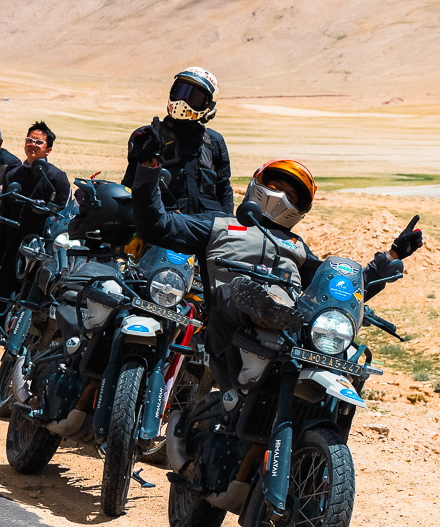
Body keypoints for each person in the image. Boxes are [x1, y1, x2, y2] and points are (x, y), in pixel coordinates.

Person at [128, 154, 422, 395]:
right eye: (278, 186)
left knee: (333, 331)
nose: (282, 196)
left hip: (285, 336)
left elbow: (342, 288)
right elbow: (157, 226)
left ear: (301, 208)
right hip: (225, 330)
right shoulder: (219, 224)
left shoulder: (297, 247)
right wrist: (148, 170)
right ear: (259, 183)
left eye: (292, 195)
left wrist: (392, 256)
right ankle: (262, 306)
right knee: (235, 292)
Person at [0, 122, 70, 369]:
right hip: (12, 251)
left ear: (48, 149)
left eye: (39, 142)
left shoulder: (57, 178)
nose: (33, 145)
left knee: (34, 307)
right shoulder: (13, 175)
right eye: (30, 140)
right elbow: (4, 213)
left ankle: (22, 361)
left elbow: (60, 216)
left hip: (40, 254)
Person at [121, 68, 231, 222]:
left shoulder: (214, 141)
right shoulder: (148, 137)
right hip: (165, 228)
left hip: (207, 228)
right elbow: (130, 184)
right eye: (180, 92)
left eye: (194, 97)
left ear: (208, 104)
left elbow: (224, 188)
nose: (183, 101)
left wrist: (228, 226)